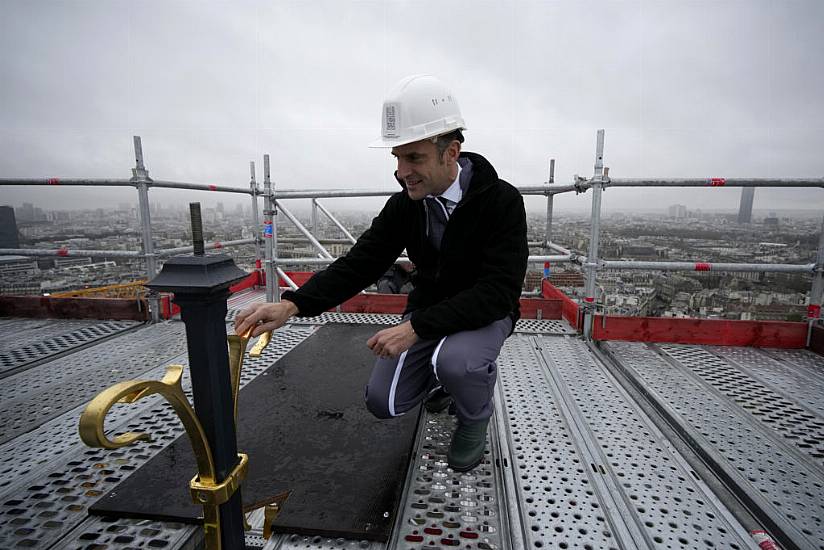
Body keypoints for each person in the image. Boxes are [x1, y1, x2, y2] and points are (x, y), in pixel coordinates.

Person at [235, 74, 528, 472]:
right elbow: (363, 261)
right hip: (431, 311)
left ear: (451, 152)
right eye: (397, 158)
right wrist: (293, 304)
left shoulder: (501, 201)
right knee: (383, 402)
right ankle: (445, 384)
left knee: (458, 361)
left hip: (484, 314)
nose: (401, 171)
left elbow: (497, 292)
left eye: (414, 158)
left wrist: (416, 328)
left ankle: (474, 417)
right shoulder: (407, 205)